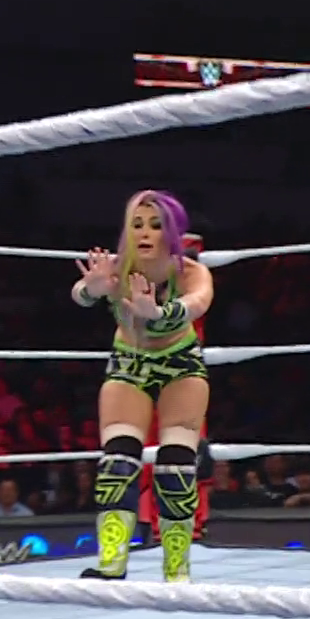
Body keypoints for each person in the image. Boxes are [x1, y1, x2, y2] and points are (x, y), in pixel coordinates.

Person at [69, 190, 214, 582]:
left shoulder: (190, 271)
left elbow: (198, 303)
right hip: (129, 364)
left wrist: (160, 312)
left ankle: (176, 569)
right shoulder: (116, 269)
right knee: (117, 462)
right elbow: (80, 294)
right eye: (137, 224)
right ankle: (111, 562)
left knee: (176, 468)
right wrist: (93, 289)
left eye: (155, 225)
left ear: (174, 231)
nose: (145, 233)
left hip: (180, 365)